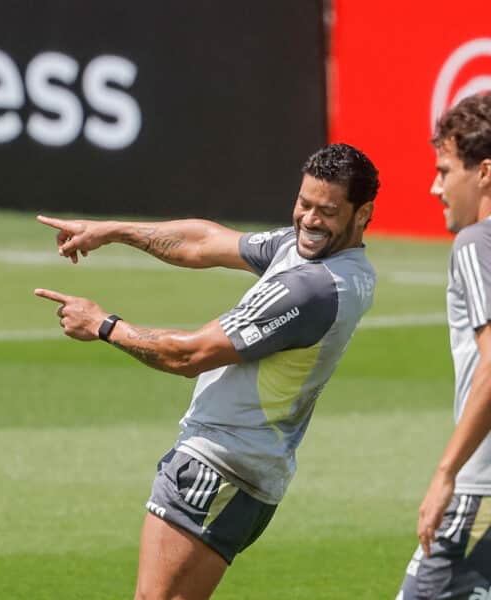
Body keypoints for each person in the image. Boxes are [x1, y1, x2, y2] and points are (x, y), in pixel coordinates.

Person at [34, 142, 379, 600]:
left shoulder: (312, 288)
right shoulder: (317, 256)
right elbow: (204, 243)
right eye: (304, 203)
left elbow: (188, 355)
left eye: (327, 211)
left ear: (363, 213)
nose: (310, 221)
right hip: (247, 468)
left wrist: (101, 325)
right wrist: (111, 230)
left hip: (219, 465)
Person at [397, 93, 491, 599]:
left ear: (485, 172)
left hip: (481, 488)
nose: (435, 187)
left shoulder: (476, 244)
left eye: (445, 170)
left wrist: (446, 473)